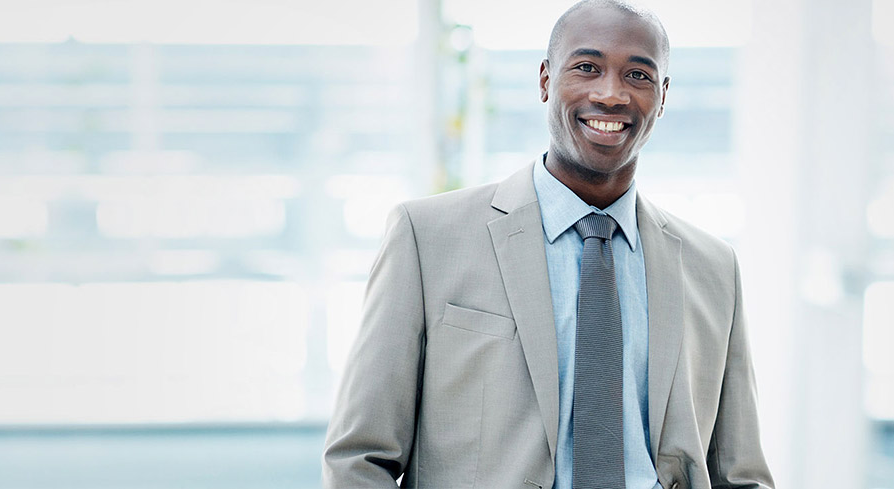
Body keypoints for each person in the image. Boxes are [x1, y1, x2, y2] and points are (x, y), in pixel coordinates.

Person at [322, 1, 773, 487]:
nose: (611, 94)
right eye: (587, 68)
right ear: (544, 80)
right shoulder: (427, 237)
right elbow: (359, 457)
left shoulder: (713, 267)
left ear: (662, 97)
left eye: (638, 75)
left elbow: (739, 472)